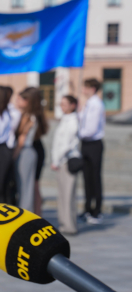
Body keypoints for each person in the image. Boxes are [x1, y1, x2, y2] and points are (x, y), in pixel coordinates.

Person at [51, 95, 81, 235]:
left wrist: (56, 160)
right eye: (61, 104)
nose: (62, 106)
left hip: (67, 161)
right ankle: (63, 223)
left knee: (68, 195)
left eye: (64, 104)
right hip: (60, 162)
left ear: (72, 105)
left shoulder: (73, 121)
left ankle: (70, 225)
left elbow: (67, 144)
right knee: (62, 195)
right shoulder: (64, 119)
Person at [14, 88, 47, 212]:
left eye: (20, 99)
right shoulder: (34, 115)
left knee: (27, 186)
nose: (17, 101)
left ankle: (29, 214)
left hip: (27, 150)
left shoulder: (29, 117)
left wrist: (13, 156)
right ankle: (36, 215)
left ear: (28, 101)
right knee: (32, 186)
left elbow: (22, 139)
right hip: (33, 149)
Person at [79, 78, 106, 224]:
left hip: (94, 143)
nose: (83, 90)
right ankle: (87, 208)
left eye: (86, 87)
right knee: (86, 178)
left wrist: (78, 133)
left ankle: (97, 211)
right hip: (85, 143)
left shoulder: (96, 104)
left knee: (95, 178)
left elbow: (91, 129)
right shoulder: (88, 104)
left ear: (93, 89)